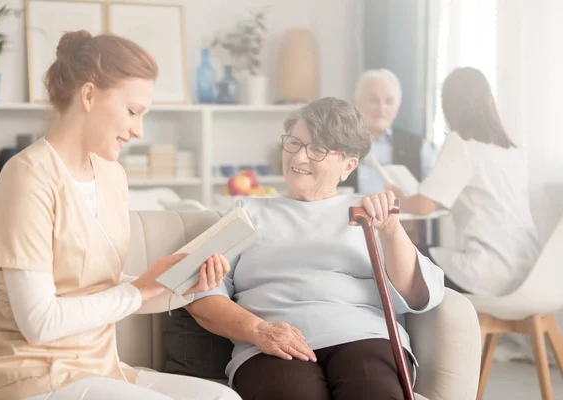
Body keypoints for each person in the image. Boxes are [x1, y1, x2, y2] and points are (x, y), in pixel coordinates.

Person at [0, 30, 240, 400]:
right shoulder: (27, 176)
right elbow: (38, 323)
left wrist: (185, 286)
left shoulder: (112, 176)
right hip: (31, 373)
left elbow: (108, 287)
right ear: (88, 95)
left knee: (224, 398)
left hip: (101, 366)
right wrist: (140, 288)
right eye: (133, 112)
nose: (138, 130)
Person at [185, 97, 445, 400]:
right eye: (294, 143)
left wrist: (390, 229)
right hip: (273, 343)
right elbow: (198, 290)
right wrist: (258, 331)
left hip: (365, 336)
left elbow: (416, 294)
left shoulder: (369, 212)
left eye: (318, 149)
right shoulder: (248, 212)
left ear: (348, 165)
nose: (299, 157)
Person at [394, 67, 541, 297]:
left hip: (486, 272)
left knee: (397, 257)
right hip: (529, 274)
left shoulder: (461, 142)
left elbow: (423, 206)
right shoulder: (509, 149)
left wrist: (398, 200)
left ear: (449, 105)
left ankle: (402, 332)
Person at [340, 69, 436, 195]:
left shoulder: (420, 147)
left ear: (397, 107)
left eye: (389, 101)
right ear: (356, 103)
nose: (381, 108)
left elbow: (438, 196)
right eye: (373, 100)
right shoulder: (336, 143)